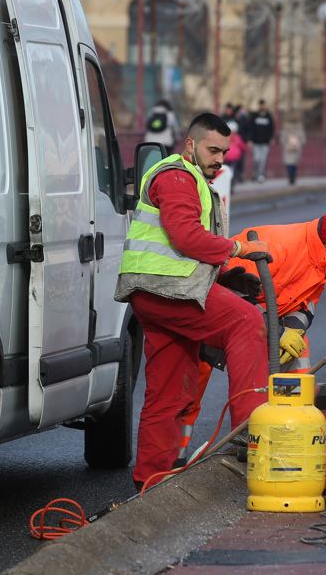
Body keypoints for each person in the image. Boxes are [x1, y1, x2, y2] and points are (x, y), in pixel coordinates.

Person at [116, 113, 272, 489]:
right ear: (190, 144)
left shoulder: (190, 178)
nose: (220, 158)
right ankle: (251, 438)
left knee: (169, 389)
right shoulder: (178, 176)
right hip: (168, 290)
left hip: (153, 292)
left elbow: (179, 248)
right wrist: (239, 249)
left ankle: (149, 481)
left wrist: (226, 276)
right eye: (212, 149)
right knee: (247, 322)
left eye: (225, 151)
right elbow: (184, 235)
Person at [174, 200, 326, 465]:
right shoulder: (279, 246)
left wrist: (290, 333)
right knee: (190, 387)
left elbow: (306, 304)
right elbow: (232, 299)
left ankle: (288, 443)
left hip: (262, 324)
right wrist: (279, 331)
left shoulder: (324, 261)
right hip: (215, 314)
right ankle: (173, 462)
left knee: (300, 355)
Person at [249, 99, 275, 183]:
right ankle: (255, 173)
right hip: (256, 142)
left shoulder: (268, 116)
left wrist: (271, 138)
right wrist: (250, 139)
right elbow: (251, 128)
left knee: (263, 160)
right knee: (257, 159)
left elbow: (272, 128)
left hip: (265, 142)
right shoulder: (254, 116)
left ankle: (261, 174)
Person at [281, 120, 305, 185]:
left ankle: (291, 176)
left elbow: (282, 140)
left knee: (289, 163)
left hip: (287, 149)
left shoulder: (285, 130)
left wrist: (285, 145)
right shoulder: (299, 130)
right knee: (294, 164)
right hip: (296, 149)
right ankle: (293, 176)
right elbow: (303, 140)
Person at [224, 120, 246, 189]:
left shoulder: (225, 137)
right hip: (236, 157)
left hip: (226, 156)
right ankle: (236, 177)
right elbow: (243, 147)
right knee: (235, 167)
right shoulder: (238, 137)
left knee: (225, 168)